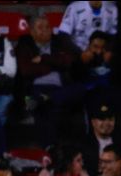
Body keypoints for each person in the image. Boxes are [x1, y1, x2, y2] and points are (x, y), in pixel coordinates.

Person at [16, 15, 80, 147]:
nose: (45, 30)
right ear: (32, 31)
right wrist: (54, 64)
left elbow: (69, 61)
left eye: (47, 27)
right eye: (40, 28)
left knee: (81, 89)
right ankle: (49, 148)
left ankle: (47, 98)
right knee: (46, 110)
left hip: (60, 88)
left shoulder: (59, 42)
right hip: (35, 87)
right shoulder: (24, 44)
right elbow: (26, 70)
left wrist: (44, 58)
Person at [80, 104, 121, 176]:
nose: (107, 123)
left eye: (110, 119)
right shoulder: (83, 145)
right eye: (102, 119)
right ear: (93, 122)